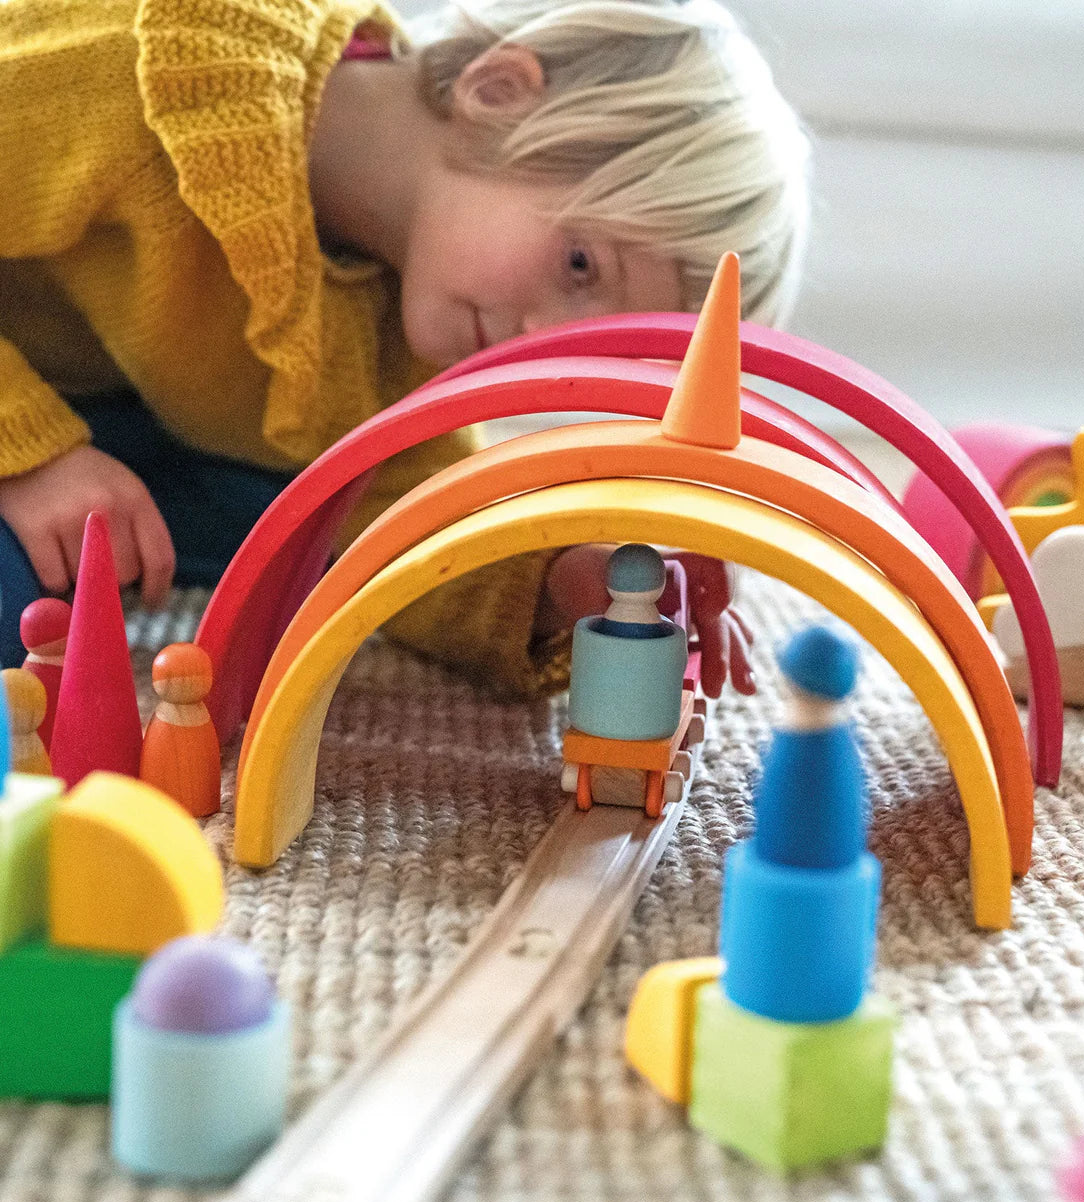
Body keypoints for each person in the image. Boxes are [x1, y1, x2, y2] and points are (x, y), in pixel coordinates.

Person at [0, 0, 809, 695]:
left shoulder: (414, 311)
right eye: (580, 266)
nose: (541, 341)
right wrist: (31, 454)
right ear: (499, 92)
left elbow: (406, 519)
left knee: (306, 541)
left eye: (587, 343)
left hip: (125, 431)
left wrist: (571, 584)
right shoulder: (148, 69)